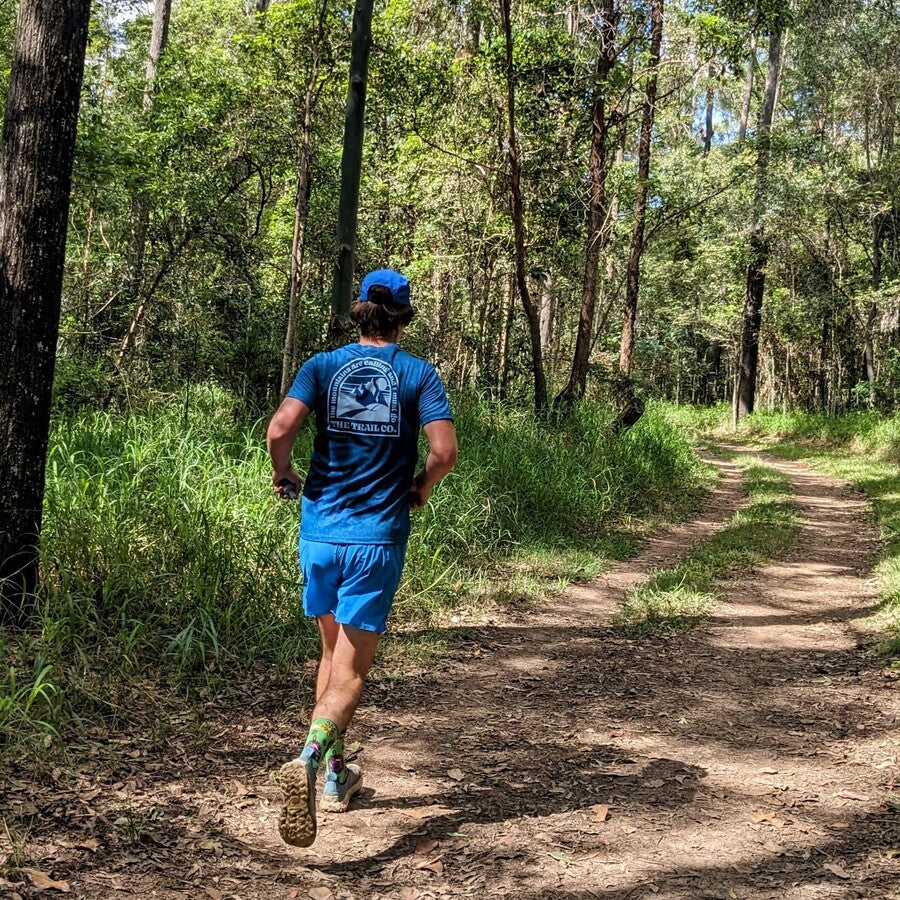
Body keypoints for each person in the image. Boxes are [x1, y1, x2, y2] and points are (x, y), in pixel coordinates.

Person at [266, 268, 458, 848]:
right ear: (402, 317)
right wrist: (421, 488)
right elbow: (444, 451)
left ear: (360, 312)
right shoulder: (417, 374)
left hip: (320, 533)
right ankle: (308, 756)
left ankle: (334, 778)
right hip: (375, 538)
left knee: (330, 649)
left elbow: (280, 429)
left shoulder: (322, 367)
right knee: (350, 670)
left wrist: (284, 473)